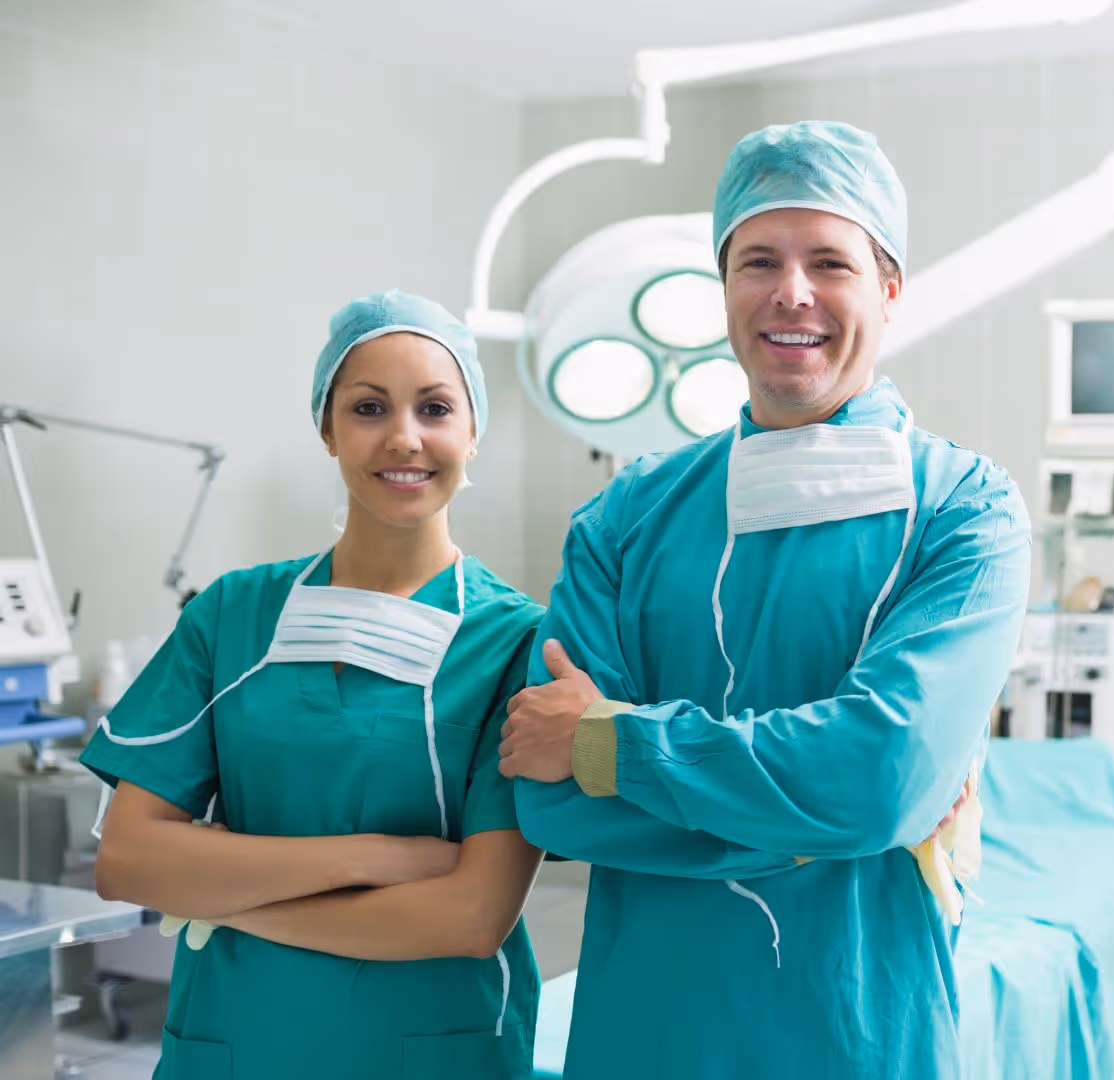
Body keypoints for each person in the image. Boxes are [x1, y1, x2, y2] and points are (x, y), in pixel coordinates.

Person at [499, 120, 1030, 1079]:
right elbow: (553, 807)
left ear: (891, 288)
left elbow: (879, 779)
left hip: (856, 1028)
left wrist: (607, 743)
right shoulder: (627, 517)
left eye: (830, 260)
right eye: (758, 261)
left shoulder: (963, 508)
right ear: (723, 288)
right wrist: (819, 822)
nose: (793, 292)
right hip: (649, 1033)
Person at [81, 289, 547, 1080]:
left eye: (435, 408)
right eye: (369, 407)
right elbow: (126, 861)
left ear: (474, 434)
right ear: (327, 429)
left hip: (433, 1045)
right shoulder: (231, 615)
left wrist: (224, 890)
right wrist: (378, 856)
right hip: (234, 1042)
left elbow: (472, 914)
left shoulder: (514, 642)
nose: (404, 436)